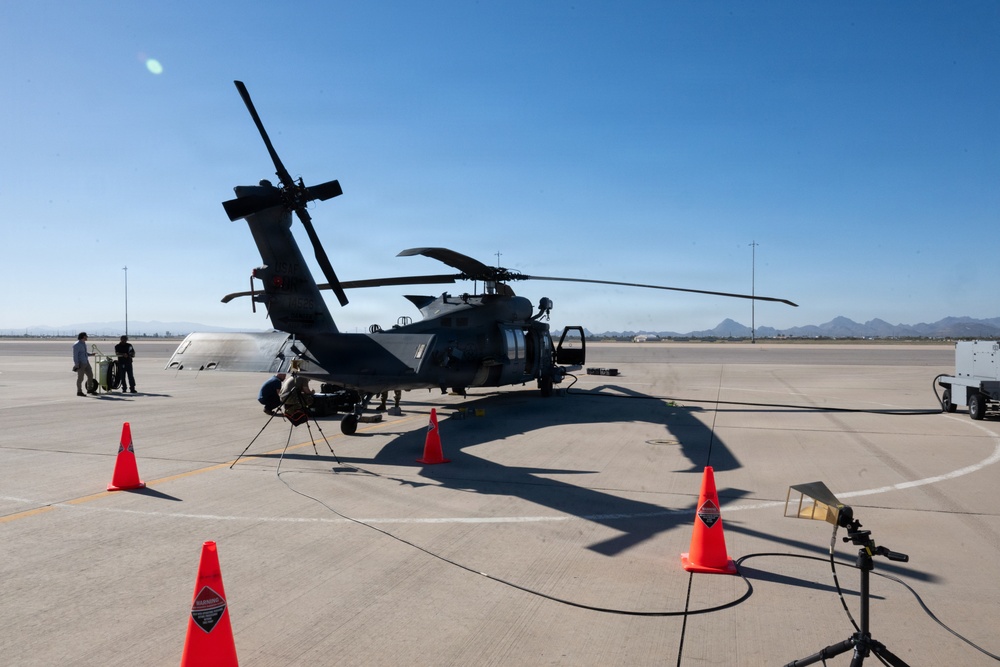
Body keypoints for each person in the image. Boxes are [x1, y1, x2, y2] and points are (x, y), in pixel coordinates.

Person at [72, 332, 96, 396]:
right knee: (80, 378)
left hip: (86, 362)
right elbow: (75, 356)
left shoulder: (84, 343)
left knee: (90, 375)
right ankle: (79, 391)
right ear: (82, 337)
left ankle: (89, 389)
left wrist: (91, 354)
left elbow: (84, 353)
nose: (87, 337)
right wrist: (76, 364)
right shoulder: (77, 345)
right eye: (86, 336)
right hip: (81, 363)